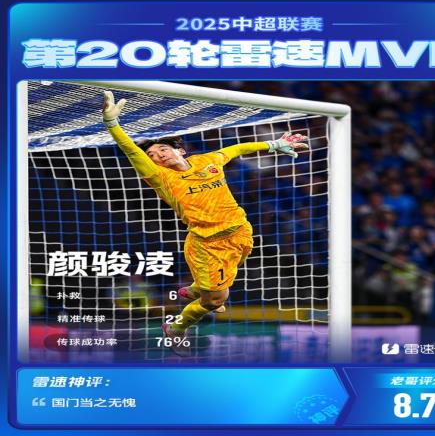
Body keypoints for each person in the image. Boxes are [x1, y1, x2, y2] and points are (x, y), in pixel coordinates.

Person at [101, 91, 309, 354]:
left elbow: (236, 149)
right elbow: (131, 150)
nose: (158, 155)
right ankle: (176, 326)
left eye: (163, 149)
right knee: (216, 301)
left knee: (231, 273)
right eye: (152, 154)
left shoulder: (207, 161)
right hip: (207, 244)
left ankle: (196, 288)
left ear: (180, 150)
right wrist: (112, 124)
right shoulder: (160, 177)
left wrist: (273, 145)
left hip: (241, 231)